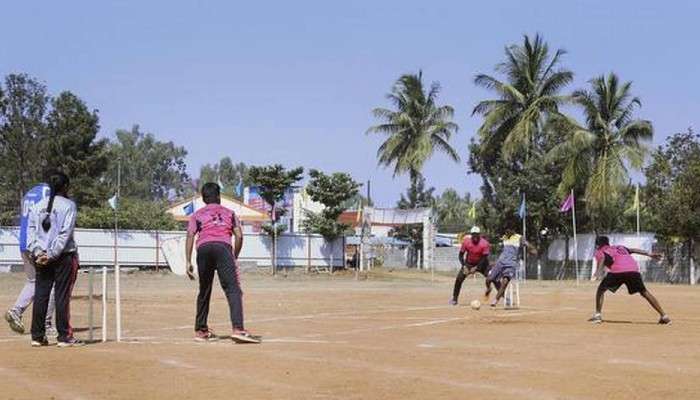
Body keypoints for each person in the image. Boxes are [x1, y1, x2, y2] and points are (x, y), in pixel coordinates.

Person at [185, 182, 261, 344]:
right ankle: (238, 329)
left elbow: (190, 236)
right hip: (223, 248)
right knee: (233, 289)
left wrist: (187, 261)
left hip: (203, 249)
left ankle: (201, 330)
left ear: (204, 199)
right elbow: (239, 236)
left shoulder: (197, 215)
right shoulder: (230, 213)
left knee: (204, 290)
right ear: (219, 196)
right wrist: (234, 255)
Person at [26, 172, 83, 347]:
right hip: (63, 256)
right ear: (65, 187)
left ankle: (37, 336)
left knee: (41, 294)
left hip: (41, 257)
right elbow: (64, 234)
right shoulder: (69, 205)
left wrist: (38, 253)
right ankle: (64, 336)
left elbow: (31, 232)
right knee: (62, 295)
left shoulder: (37, 206)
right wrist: (51, 254)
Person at [5, 183, 57, 335]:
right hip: (37, 243)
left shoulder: (31, 191)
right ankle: (46, 324)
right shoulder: (48, 191)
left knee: (33, 281)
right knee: (51, 283)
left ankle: (16, 311)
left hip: (24, 242)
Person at [589, 236, 671, 325]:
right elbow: (634, 250)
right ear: (608, 242)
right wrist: (649, 254)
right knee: (644, 292)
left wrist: (597, 272)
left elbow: (602, 259)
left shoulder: (600, 251)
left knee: (601, 290)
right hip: (633, 270)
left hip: (617, 271)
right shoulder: (620, 247)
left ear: (598, 245)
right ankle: (664, 316)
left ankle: (597, 315)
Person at [485, 228, 536, 308]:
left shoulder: (519, 237)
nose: (507, 232)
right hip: (500, 262)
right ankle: (488, 289)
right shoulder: (504, 237)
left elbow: (527, 245)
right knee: (489, 279)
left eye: (508, 231)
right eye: (506, 231)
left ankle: (495, 301)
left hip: (511, 264)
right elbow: (498, 247)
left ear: (513, 230)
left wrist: (532, 250)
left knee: (504, 282)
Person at [450, 226, 490, 305]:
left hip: (482, 264)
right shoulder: (466, 242)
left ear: (479, 235)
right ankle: (454, 299)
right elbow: (461, 255)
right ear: (471, 235)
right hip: (469, 263)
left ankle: (503, 297)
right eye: (473, 234)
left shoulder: (485, 243)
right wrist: (464, 266)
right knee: (459, 279)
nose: (475, 236)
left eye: (477, 234)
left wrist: (476, 268)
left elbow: (484, 258)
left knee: (492, 277)